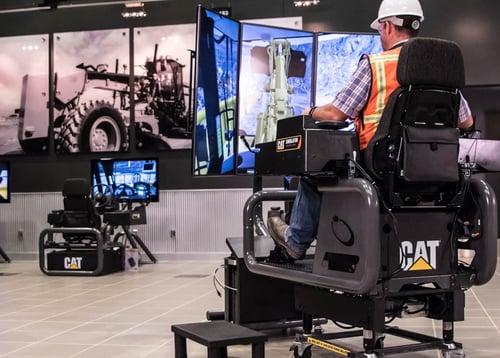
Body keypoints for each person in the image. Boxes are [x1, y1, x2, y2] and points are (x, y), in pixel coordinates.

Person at [267, 0, 474, 260]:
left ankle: (295, 244)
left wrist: (310, 111)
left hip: (380, 168)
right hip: (437, 171)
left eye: (380, 31)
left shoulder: (375, 65)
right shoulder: (440, 73)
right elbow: (466, 122)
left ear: (387, 26)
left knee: (313, 176)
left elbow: (335, 113)